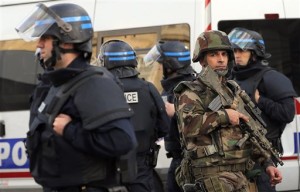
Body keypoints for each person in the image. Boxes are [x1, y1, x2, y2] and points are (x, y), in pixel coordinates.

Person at [16, 3, 137, 192]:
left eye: (45, 38)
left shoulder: (95, 84)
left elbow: (122, 140)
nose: (39, 45)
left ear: (66, 41)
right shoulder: (56, 83)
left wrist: (70, 130)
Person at [173, 30, 283, 192]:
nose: (221, 59)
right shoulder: (191, 91)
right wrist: (224, 116)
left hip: (242, 176)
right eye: (214, 55)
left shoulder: (232, 89)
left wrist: (267, 164)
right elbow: (189, 127)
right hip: (212, 176)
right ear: (202, 59)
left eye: (224, 54)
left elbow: (250, 133)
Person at [228, 27, 297, 192]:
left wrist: (261, 101)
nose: (236, 55)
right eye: (234, 50)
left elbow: (287, 114)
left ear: (255, 53)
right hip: (237, 158)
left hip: (263, 158)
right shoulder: (232, 78)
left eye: (242, 50)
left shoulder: (271, 78)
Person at [98, 40, 169, 192]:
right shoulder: (148, 88)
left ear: (105, 61)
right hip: (142, 168)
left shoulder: (99, 90)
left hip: (107, 170)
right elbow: (164, 127)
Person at [144, 40, 196, 192]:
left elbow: (204, 119)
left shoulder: (186, 87)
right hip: (179, 157)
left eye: (160, 64)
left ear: (170, 66)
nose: (158, 68)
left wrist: (177, 111)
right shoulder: (172, 87)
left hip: (189, 160)